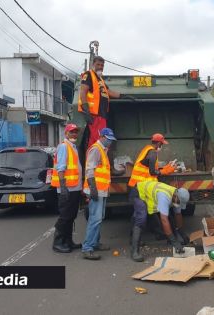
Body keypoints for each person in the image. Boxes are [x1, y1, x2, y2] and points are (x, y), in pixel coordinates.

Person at [78, 56, 136, 147]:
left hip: (101, 115)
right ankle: (95, 161)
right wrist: (86, 111)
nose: (100, 67)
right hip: (94, 115)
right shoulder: (88, 75)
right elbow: (83, 92)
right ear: (93, 64)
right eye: (98, 64)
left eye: (102, 65)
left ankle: (96, 160)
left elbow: (108, 92)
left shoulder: (100, 79)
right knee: (98, 141)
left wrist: (123, 96)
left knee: (98, 140)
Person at [130, 181, 190, 262]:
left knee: (169, 216)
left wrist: (182, 233)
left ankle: (172, 239)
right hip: (138, 192)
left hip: (149, 195)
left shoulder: (177, 196)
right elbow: (164, 220)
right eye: (179, 203)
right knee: (141, 218)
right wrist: (174, 242)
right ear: (177, 198)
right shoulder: (164, 197)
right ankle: (135, 252)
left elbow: (178, 215)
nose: (179, 205)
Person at [81, 128, 116, 260]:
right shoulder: (96, 149)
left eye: (111, 140)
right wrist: (93, 190)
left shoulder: (102, 150)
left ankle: (94, 243)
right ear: (102, 137)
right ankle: (87, 248)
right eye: (109, 140)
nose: (110, 142)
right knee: (95, 219)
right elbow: (90, 170)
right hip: (96, 190)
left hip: (101, 190)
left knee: (98, 217)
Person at [51, 124, 83, 253]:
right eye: (72, 132)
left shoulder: (73, 147)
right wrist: (63, 187)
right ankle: (58, 242)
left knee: (71, 216)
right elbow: (61, 168)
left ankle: (68, 241)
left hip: (74, 188)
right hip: (67, 189)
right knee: (65, 216)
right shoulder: (64, 147)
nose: (74, 134)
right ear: (66, 134)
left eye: (76, 132)